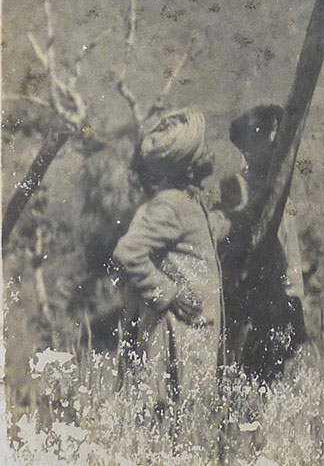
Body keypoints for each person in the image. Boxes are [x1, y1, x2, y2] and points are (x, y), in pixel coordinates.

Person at [112, 106, 223, 436]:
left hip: (196, 330)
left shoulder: (187, 200)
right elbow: (128, 252)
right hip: (181, 333)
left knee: (191, 423)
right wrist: (168, 292)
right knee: (183, 426)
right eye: (201, 146)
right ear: (187, 164)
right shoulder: (171, 204)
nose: (210, 151)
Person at [217, 104, 306, 386]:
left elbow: (291, 255)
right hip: (245, 299)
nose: (273, 149)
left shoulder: (282, 196)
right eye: (266, 139)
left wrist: (296, 301)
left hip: (276, 298)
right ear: (248, 146)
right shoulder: (236, 188)